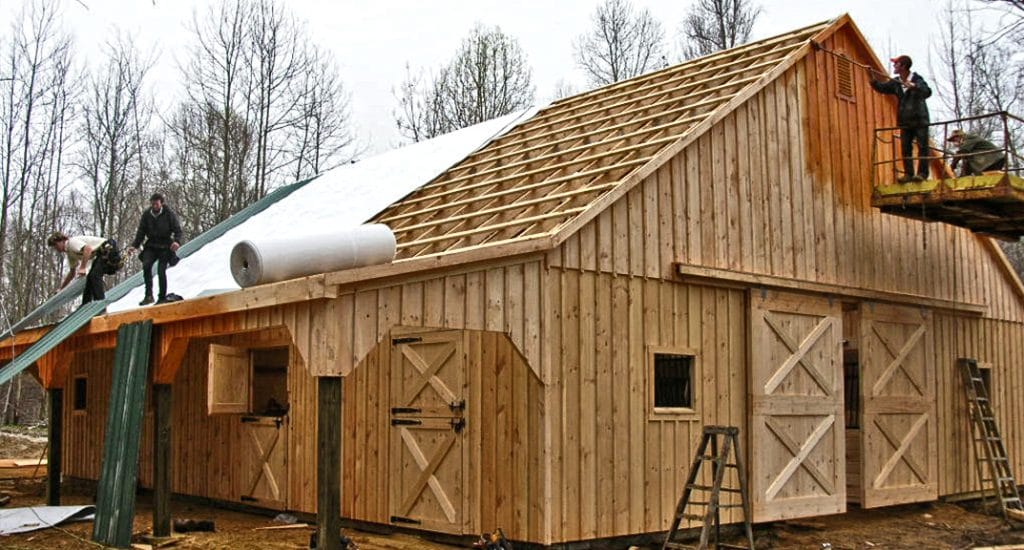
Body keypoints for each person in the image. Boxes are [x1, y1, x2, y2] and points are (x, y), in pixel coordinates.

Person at [870, 54, 933, 183]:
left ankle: (922, 173)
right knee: (905, 148)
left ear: (903, 66)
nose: (894, 66)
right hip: (905, 121)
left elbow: (927, 92)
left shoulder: (916, 78)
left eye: (896, 64)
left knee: (922, 147)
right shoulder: (896, 82)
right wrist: (871, 77)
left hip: (920, 119)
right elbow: (882, 88)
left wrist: (914, 86)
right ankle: (908, 174)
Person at [127, 193, 183, 305]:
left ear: (161, 203)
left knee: (161, 271)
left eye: (157, 204)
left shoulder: (168, 214)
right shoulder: (147, 215)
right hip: (151, 245)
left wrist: (176, 241)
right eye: (153, 204)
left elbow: (177, 230)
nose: (155, 206)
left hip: (165, 246)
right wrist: (134, 245)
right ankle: (148, 295)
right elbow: (141, 232)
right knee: (146, 265)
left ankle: (161, 297)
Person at [47, 231, 114, 305]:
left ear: (62, 241)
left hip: (108, 247)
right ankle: (86, 304)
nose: (56, 248)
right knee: (89, 279)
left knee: (94, 276)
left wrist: (82, 267)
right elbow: (72, 273)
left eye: (55, 245)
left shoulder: (71, 243)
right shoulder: (70, 253)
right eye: (54, 247)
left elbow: (88, 249)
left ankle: (101, 304)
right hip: (101, 253)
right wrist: (61, 288)